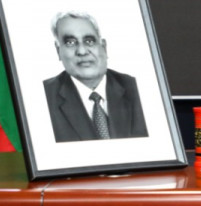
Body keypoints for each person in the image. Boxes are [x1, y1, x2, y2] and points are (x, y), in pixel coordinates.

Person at [43, 11, 148, 142]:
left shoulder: (140, 89)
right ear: (58, 51)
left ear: (104, 47)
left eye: (89, 41)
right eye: (70, 42)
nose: (82, 51)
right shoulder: (42, 97)